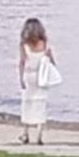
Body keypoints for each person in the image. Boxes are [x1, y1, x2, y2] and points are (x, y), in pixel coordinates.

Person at [18, 17, 55, 145]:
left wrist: (21, 78)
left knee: (27, 103)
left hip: (29, 75)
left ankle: (25, 133)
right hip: (42, 76)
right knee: (40, 103)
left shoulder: (24, 45)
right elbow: (51, 61)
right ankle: (39, 134)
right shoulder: (45, 44)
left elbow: (22, 62)